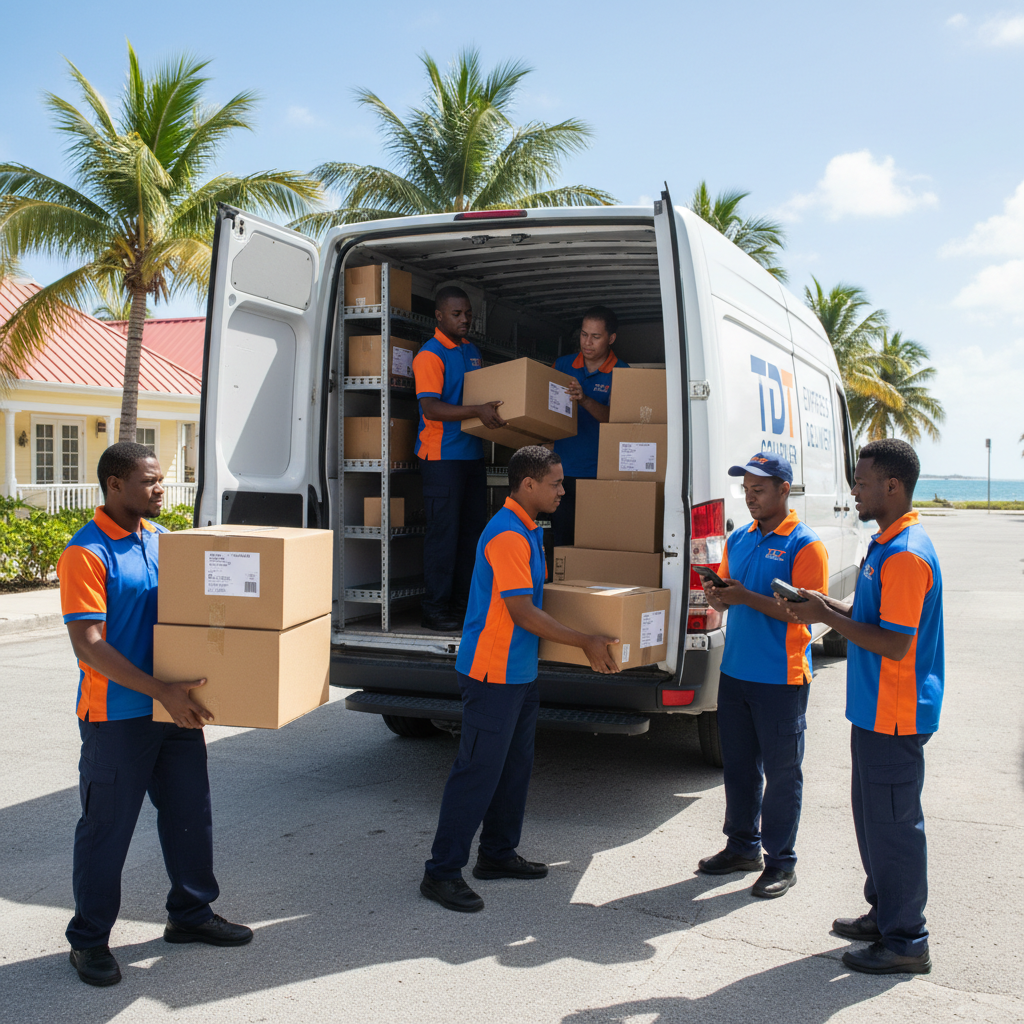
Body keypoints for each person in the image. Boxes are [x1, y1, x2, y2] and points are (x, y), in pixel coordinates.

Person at [58, 442, 252, 987]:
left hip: (173, 707)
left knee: (191, 813)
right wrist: (160, 691)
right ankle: (89, 940)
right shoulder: (87, 553)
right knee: (106, 829)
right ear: (114, 485)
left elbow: (203, 612)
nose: (161, 489)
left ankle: (190, 915)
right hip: (116, 714)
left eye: (163, 479)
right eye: (149, 481)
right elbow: (89, 646)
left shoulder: (163, 541)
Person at [420, 446, 621, 912]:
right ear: (527, 485)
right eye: (556, 483)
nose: (562, 490)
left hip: (519, 672)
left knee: (513, 769)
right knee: (477, 773)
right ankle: (442, 872)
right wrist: (584, 641)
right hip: (493, 674)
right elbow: (522, 612)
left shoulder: (527, 529)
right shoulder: (508, 535)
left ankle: (497, 854)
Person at [778, 438, 942, 976]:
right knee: (873, 821)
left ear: (892, 487)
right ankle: (885, 912)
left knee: (894, 827)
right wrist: (824, 605)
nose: (854, 490)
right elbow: (869, 614)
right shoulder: (886, 544)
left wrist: (826, 618)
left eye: (862, 481)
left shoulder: (907, 554)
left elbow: (894, 642)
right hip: (873, 710)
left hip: (895, 715)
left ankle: (907, 940)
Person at [699, 452, 828, 899]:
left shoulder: (805, 544)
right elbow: (727, 596)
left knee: (782, 774)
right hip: (736, 671)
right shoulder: (740, 539)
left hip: (781, 677)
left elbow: (807, 613)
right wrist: (717, 597)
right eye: (746, 490)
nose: (750, 498)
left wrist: (744, 597)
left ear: (783, 490)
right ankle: (741, 847)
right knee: (738, 769)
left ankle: (781, 863)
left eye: (759, 490)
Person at [413, 285, 506, 631]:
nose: (465, 319)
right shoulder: (430, 355)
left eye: (468, 312)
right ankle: (434, 609)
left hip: (470, 454)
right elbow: (431, 407)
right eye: (457, 314)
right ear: (439, 316)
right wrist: (478, 411)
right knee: (444, 536)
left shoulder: (472, 351)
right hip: (441, 459)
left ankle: (461, 606)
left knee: (471, 534)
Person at [548, 306, 629, 564]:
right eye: (584, 335)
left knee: (595, 546)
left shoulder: (623, 372)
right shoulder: (562, 365)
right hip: (561, 473)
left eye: (595, 336)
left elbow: (619, 421)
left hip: (600, 476)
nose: (587, 342)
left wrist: (584, 399)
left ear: (611, 338)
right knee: (561, 543)